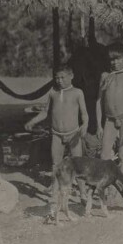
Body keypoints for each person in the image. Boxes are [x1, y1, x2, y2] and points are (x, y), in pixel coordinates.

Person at [25, 65, 88, 215]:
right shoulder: (53, 93)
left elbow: (84, 114)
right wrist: (32, 121)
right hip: (57, 134)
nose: (59, 81)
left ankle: (83, 194)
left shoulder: (77, 93)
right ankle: (54, 194)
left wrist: (84, 126)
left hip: (73, 134)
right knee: (55, 164)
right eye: (57, 78)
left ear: (71, 76)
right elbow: (45, 112)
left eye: (62, 77)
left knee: (77, 165)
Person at [96, 42, 123, 163]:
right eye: (112, 60)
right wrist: (99, 125)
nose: (115, 63)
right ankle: (106, 180)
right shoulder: (105, 76)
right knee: (104, 155)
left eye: (118, 59)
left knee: (122, 154)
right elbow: (99, 101)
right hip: (110, 120)